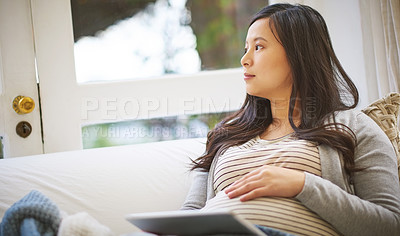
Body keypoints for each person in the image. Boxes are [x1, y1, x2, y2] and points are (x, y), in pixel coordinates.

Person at [180, 3, 400, 236]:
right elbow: (189, 216)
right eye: (246, 48)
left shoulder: (354, 127)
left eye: (258, 47)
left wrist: (302, 184)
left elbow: (390, 226)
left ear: (299, 55)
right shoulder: (225, 136)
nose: (244, 59)